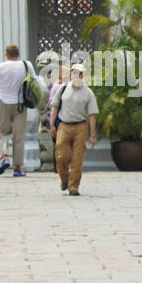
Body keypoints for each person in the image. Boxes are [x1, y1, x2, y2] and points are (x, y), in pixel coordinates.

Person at [0, 44, 42, 177]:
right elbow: (34, 80)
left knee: (3, 133)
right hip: (20, 103)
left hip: (4, 102)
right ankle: (18, 168)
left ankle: (4, 157)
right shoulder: (26, 65)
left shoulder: (1, 66)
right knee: (19, 137)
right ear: (18, 54)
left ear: (6, 54)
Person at [50, 63, 98, 196]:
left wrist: (92, 134)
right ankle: (64, 179)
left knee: (77, 158)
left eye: (79, 73)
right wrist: (52, 124)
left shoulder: (88, 93)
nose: (77, 75)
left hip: (80, 127)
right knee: (61, 155)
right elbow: (55, 106)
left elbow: (92, 115)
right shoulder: (63, 88)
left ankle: (73, 186)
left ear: (83, 75)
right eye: (74, 73)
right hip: (64, 125)